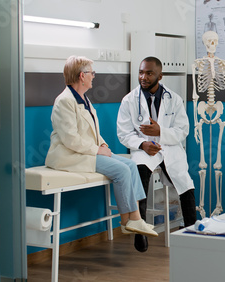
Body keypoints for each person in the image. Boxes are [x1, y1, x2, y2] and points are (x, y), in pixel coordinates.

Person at [45, 55, 157, 243]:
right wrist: (97, 150)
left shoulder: (82, 98)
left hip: (86, 151)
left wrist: (102, 143)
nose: (94, 76)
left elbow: (91, 130)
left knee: (130, 165)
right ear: (82, 76)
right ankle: (131, 220)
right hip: (70, 156)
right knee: (121, 170)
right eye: (91, 73)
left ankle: (131, 220)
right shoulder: (64, 101)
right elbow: (70, 139)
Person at [117, 57, 196, 252]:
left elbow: (183, 130)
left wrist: (160, 131)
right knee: (139, 173)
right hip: (144, 150)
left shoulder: (174, 99)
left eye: (149, 73)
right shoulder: (129, 100)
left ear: (159, 76)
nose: (143, 77)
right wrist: (143, 143)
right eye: (141, 72)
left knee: (185, 184)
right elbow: (123, 134)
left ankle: (192, 231)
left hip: (169, 148)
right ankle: (140, 230)